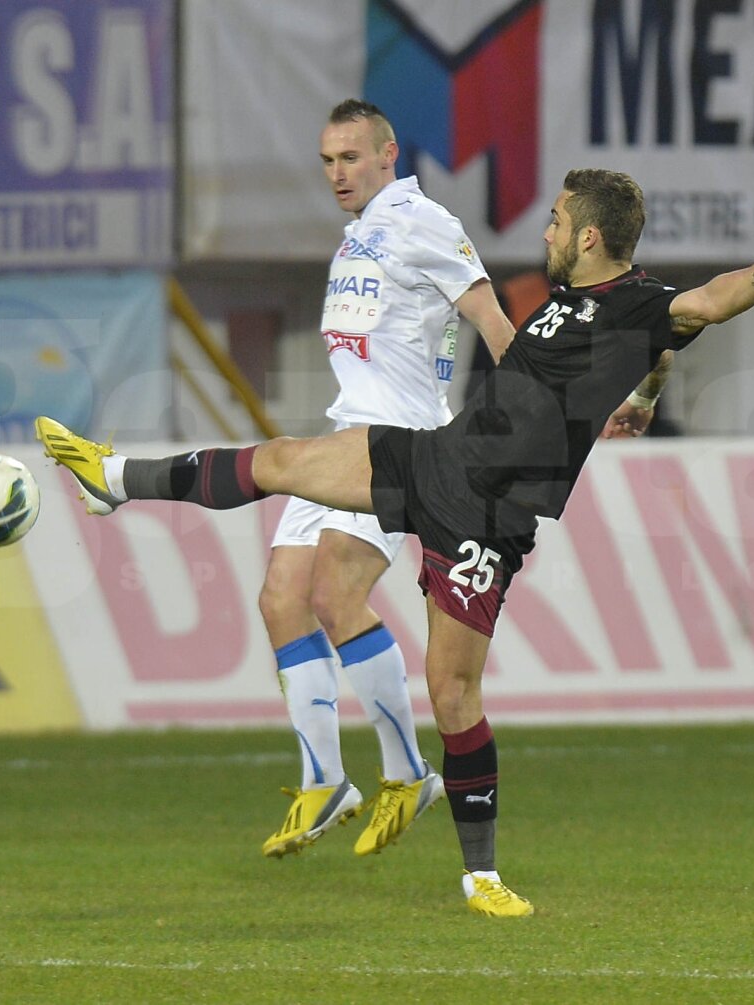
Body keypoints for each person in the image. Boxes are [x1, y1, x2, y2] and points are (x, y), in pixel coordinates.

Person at [36, 169, 754, 916]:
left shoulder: (636, 301)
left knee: (452, 693)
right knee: (284, 460)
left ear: (589, 237)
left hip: (489, 516)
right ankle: (113, 477)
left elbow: (706, 304)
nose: (548, 232)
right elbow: (664, 349)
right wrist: (646, 396)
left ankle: (481, 873)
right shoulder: (579, 306)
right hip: (442, 456)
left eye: (557, 220)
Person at [255, 99, 516, 860]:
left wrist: (543, 414)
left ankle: (407, 772)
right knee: (280, 599)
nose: (337, 173)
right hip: (347, 435)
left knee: (336, 594)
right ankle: (325, 779)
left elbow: (491, 320)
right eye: (327, 161)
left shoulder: (421, 220)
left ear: (387, 153)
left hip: (401, 445)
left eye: (349, 158)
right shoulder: (359, 234)